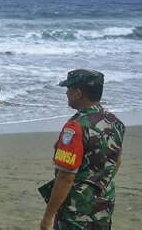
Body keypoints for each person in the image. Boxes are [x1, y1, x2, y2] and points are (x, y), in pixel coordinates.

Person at [39, 70, 124, 230]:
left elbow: (66, 178)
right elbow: (117, 162)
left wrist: (48, 215)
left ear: (77, 93)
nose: (66, 92)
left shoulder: (76, 127)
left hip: (77, 211)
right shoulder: (115, 122)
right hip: (104, 203)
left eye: (68, 88)